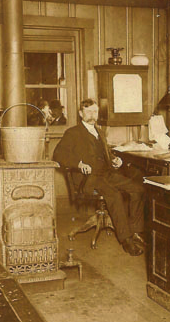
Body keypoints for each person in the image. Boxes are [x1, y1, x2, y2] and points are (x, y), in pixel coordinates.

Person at [53, 98, 145, 256]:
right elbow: (58, 155)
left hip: (106, 174)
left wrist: (116, 161)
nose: (92, 115)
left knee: (138, 189)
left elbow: (106, 154)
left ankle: (136, 231)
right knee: (114, 195)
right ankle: (126, 240)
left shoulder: (100, 132)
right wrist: (79, 164)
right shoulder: (73, 133)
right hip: (88, 178)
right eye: (88, 111)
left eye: (94, 111)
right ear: (81, 113)